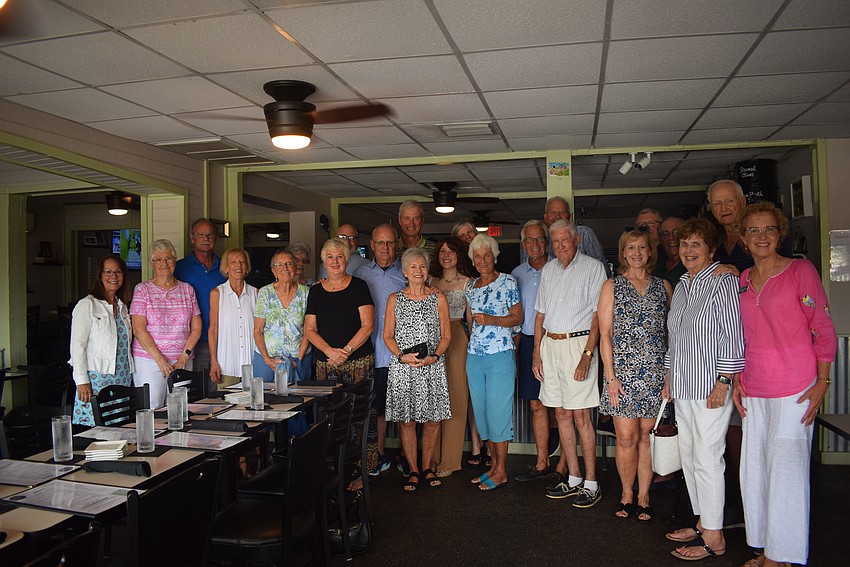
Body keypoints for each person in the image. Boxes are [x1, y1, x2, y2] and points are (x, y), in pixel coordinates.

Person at [732, 202, 837, 567]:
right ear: (742, 238)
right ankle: (765, 548)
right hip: (755, 387)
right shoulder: (744, 280)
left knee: (787, 474)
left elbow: (821, 328)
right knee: (756, 473)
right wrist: (737, 380)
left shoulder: (799, 272)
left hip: (795, 387)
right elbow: (744, 336)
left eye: (769, 230)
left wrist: (823, 382)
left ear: (780, 233)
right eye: (754, 231)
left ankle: (782, 556)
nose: (762, 237)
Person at [663, 218, 745, 561]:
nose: (688, 250)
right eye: (684, 245)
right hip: (683, 386)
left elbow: (734, 335)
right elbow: (676, 336)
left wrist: (724, 381)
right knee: (691, 455)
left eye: (696, 244)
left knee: (709, 459)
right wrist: (668, 376)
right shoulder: (682, 284)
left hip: (710, 385)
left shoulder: (723, 281)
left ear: (711, 250)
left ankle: (715, 536)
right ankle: (702, 521)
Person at [532, 220, 607, 509]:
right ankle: (573, 477)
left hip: (579, 346)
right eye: (556, 241)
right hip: (551, 345)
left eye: (566, 239)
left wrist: (588, 355)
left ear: (576, 240)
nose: (560, 245)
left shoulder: (592, 267)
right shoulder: (549, 269)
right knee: (561, 414)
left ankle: (591, 482)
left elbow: (597, 317)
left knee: (580, 417)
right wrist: (536, 354)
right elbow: (540, 316)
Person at [598, 229, 672, 521]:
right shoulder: (611, 286)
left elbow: (671, 333)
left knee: (647, 436)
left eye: (643, 247)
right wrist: (610, 377)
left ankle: (644, 495)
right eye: (631, 247)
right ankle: (626, 493)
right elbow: (604, 335)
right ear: (624, 252)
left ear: (650, 251)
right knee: (626, 437)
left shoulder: (662, 286)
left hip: (654, 372)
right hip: (623, 374)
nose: (637, 252)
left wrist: (669, 374)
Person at [305, 238, 377, 474]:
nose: (335, 261)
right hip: (326, 365)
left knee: (358, 414)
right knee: (328, 417)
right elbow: (310, 330)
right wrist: (329, 352)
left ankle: (361, 469)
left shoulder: (359, 286)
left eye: (340, 256)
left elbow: (367, 326)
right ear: (324, 261)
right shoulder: (315, 291)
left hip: (358, 362)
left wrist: (345, 352)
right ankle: (332, 468)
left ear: (347, 260)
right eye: (330, 257)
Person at [384, 248, 452, 491]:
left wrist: (434, 356)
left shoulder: (438, 297)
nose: (418, 271)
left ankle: (427, 468)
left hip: (432, 366)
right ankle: (412, 469)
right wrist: (402, 356)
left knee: (433, 420)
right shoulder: (394, 299)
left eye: (422, 266)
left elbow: (446, 335)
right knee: (407, 420)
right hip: (404, 367)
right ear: (404, 271)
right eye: (413, 266)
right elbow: (388, 335)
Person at [465, 234, 523, 491]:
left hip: (500, 353)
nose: (482, 260)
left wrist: (492, 320)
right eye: (477, 256)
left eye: (486, 255)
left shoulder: (508, 281)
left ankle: (501, 470)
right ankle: (493, 466)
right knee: (483, 413)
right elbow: (469, 323)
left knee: (498, 413)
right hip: (474, 356)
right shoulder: (471, 286)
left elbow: (517, 317)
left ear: (495, 256)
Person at [355, 224, 406, 477]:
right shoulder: (359, 274)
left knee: (407, 407)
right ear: (372, 245)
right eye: (380, 243)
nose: (385, 248)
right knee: (377, 407)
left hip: (401, 353)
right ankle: (380, 454)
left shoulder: (407, 272)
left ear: (396, 245)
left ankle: (409, 458)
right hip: (370, 352)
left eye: (390, 243)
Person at [131, 239, 201, 408]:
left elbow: (197, 327)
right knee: (152, 408)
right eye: (159, 260)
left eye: (168, 258)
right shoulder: (142, 289)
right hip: (149, 361)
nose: (164, 263)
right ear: (152, 264)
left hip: (182, 360)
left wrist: (184, 357)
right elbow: (139, 330)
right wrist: (161, 361)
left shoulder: (187, 289)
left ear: (174, 261)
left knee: (180, 408)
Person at [511, 220, 556, 482]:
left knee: (561, 405)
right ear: (524, 244)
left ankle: (565, 464)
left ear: (546, 242)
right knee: (536, 403)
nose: (535, 244)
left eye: (539, 239)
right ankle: (542, 462)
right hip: (528, 342)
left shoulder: (558, 268)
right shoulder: (516, 274)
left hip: (557, 341)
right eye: (530, 240)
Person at [69, 254, 135, 425]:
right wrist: (82, 381)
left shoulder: (122, 306)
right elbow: (77, 346)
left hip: (122, 375)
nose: (113, 276)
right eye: (108, 272)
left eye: (118, 272)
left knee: (120, 425)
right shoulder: (87, 305)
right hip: (98, 377)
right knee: (96, 427)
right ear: (100, 275)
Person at [428, 236, 474, 478]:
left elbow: (471, 320)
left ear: (459, 255)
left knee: (455, 399)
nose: (446, 255)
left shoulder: (468, 283)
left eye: (451, 251)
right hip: (431, 340)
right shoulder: (429, 281)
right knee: (433, 399)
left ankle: (449, 461)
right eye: (442, 251)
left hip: (457, 338)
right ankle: (431, 459)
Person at [173, 219, 226, 376]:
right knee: (199, 388)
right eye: (200, 234)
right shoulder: (179, 268)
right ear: (192, 238)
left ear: (215, 238)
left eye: (210, 234)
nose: (206, 238)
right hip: (193, 340)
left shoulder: (225, 267)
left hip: (221, 337)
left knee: (222, 386)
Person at [708, 180, 792, 275]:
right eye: (717, 204)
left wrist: (742, 275)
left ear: (743, 202)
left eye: (729, 201)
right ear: (711, 209)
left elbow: (785, 271)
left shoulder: (768, 235)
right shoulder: (711, 241)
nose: (724, 208)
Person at [252, 250, 310, 382]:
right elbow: (257, 330)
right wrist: (267, 359)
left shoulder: (306, 293)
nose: (285, 268)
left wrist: (299, 360)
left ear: (295, 268)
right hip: (267, 360)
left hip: (299, 358)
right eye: (280, 265)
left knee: (301, 398)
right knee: (264, 397)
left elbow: (308, 330)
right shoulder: (265, 292)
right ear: (273, 270)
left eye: (289, 264)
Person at [209, 248, 257, 388]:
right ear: (226, 267)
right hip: (226, 365)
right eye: (233, 262)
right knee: (226, 407)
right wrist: (214, 361)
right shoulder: (217, 293)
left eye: (242, 261)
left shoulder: (256, 293)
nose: (238, 265)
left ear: (247, 266)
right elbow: (213, 329)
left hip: (252, 364)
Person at [536, 196, 610, 275]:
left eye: (562, 212)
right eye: (552, 212)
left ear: (569, 216)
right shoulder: (540, 238)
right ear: (545, 217)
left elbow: (602, 267)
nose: (558, 216)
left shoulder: (584, 233)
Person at [655, 216, 686, 285]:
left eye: (676, 232)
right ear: (660, 239)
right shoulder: (655, 268)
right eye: (665, 234)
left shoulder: (693, 265)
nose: (671, 237)